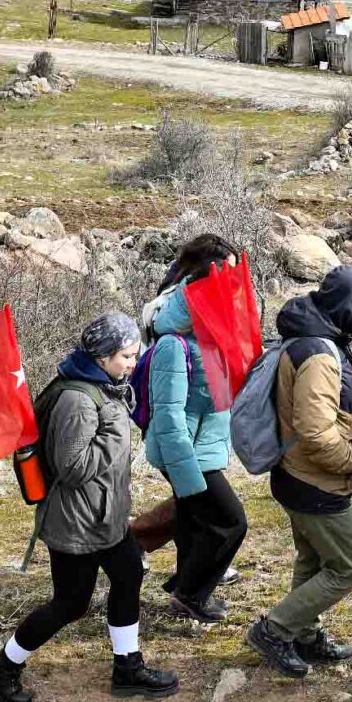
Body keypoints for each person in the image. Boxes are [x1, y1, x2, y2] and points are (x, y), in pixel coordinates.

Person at [0, 314, 179, 702]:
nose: (133, 363)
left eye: (135, 354)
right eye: (125, 356)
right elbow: (72, 468)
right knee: (70, 604)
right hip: (76, 523)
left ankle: (127, 666)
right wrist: (116, 436)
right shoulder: (78, 401)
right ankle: (1, 666)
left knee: (128, 573)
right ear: (101, 357)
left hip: (104, 517)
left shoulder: (102, 387)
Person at [245, 265, 352, 678]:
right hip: (315, 480)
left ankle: (303, 632)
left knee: (313, 558)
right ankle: (274, 630)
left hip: (298, 476)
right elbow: (314, 429)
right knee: (346, 568)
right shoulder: (319, 354)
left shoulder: (314, 334)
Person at [142, 234, 246, 623]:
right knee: (231, 522)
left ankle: (184, 585)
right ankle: (191, 594)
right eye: (227, 272)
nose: (234, 281)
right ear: (206, 276)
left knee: (191, 518)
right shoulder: (175, 340)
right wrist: (187, 473)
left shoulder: (211, 322)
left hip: (200, 441)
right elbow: (169, 417)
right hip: (185, 448)